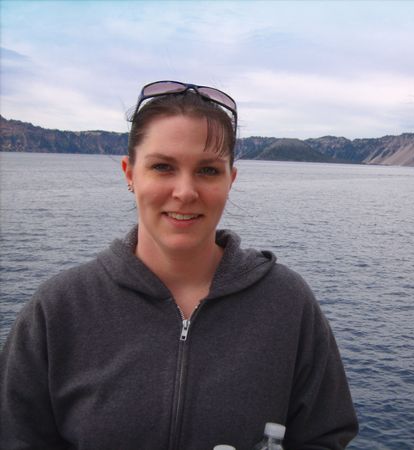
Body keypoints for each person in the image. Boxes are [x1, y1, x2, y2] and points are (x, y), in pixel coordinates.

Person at [0, 81, 358, 449]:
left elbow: (324, 436)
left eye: (208, 171)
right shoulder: (59, 309)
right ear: (129, 174)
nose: (185, 192)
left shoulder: (287, 303)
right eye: (162, 167)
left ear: (230, 180)